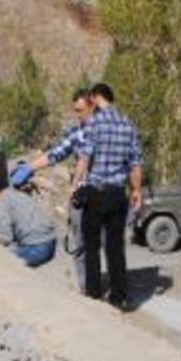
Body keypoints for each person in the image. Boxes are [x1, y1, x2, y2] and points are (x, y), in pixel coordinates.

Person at [10, 90, 96, 290]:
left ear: (92, 107)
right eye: (75, 111)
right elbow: (55, 154)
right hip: (80, 195)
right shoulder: (77, 133)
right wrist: (29, 168)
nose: (77, 115)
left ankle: (109, 290)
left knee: (101, 245)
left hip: (101, 194)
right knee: (80, 245)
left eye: (80, 111)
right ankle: (87, 290)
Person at [73, 83, 143, 310]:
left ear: (95, 97)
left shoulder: (94, 123)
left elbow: (84, 158)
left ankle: (93, 295)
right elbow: (135, 163)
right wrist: (137, 190)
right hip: (118, 194)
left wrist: (74, 185)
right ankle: (119, 297)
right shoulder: (128, 124)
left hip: (96, 192)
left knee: (91, 246)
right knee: (115, 247)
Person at [0, 171, 57, 268]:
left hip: (38, 247)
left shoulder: (2, 202)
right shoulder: (12, 193)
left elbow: (5, 237)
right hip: (50, 243)